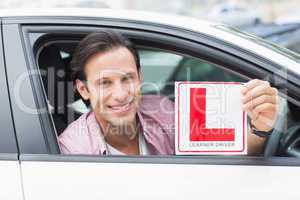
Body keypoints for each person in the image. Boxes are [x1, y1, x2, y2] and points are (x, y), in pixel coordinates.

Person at [58, 30, 279, 156]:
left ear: (140, 77)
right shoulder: (73, 148)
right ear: (84, 90)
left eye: (127, 79)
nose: (121, 94)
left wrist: (260, 128)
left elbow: (225, 156)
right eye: (105, 83)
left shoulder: (161, 110)